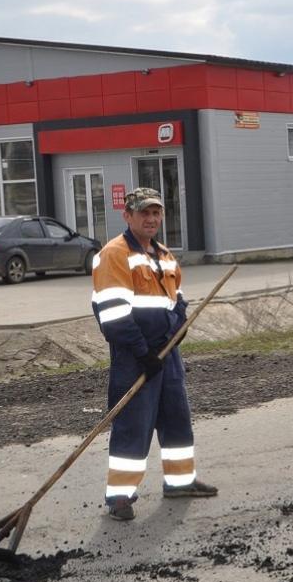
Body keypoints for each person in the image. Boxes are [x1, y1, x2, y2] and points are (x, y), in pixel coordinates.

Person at [90, 187, 217, 522]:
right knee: (133, 425)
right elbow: (113, 314)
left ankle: (180, 481)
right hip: (136, 357)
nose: (151, 219)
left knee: (176, 419)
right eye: (143, 212)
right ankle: (120, 497)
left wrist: (178, 330)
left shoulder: (164, 255)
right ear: (128, 216)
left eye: (156, 213)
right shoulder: (114, 254)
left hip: (167, 352)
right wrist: (144, 352)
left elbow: (179, 299)